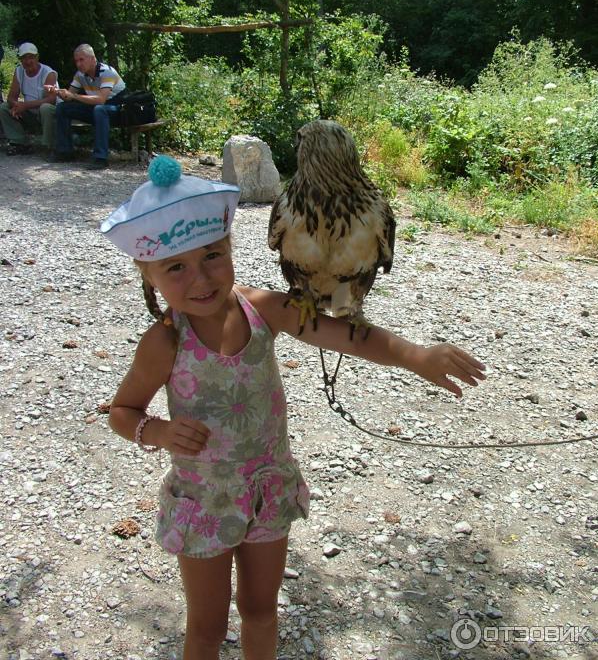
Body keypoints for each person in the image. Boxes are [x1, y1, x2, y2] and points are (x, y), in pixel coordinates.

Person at [102, 156, 486, 660]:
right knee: (207, 628)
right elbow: (122, 411)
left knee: (262, 612)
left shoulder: (264, 308)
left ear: (230, 247)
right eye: (176, 267)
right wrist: (157, 432)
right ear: (149, 275)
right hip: (203, 504)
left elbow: (347, 335)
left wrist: (415, 355)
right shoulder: (164, 343)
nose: (200, 278)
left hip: (269, 491)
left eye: (213, 256)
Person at [49, 43, 126, 170]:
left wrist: (74, 97)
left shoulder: (107, 72)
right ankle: (65, 151)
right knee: (63, 108)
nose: (79, 64)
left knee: (99, 109)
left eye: (81, 60)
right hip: (96, 109)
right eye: (76, 61)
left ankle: (101, 158)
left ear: (92, 59)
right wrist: (57, 92)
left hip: (116, 110)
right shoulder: (80, 74)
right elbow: (69, 96)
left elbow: (101, 100)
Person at [0, 42, 58, 154]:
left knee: (45, 108)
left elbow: (51, 100)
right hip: (29, 113)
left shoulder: (48, 73)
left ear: (37, 57)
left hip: (47, 114)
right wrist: (16, 106)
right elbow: (11, 97)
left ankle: (48, 146)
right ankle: (19, 142)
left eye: (31, 57)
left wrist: (25, 105)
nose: (28, 61)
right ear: (20, 60)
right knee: (4, 107)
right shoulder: (19, 71)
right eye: (24, 58)